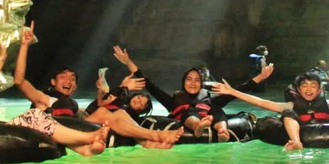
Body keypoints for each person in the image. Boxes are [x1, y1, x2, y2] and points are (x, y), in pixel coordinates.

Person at [14, 25, 183, 149]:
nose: (68, 80)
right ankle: (153, 135)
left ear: (75, 87)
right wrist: (24, 46)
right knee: (105, 113)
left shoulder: (72, 105)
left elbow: (96, 109)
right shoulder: (44, 99)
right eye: (63, 77)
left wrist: (110, 90)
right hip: (60, 129)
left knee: (119, 113)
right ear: (53, 82)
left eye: (72, 78)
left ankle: (146, 142)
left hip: (77, 126)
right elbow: (19, 81)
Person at [115, 46, 273, 141]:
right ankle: (198, 126)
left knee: (216, 109)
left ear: (201, 84)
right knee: (188, 111)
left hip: (211, 116)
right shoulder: (173, 101)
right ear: (183, 82)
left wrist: (261, 77)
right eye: (189, 79)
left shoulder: (209, 100)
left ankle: (222, 130)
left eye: (197, 80)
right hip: (187, 120)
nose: (193, 82)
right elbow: (149, 85)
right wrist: (128, 62)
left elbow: (239, 90)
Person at [213, 72, 329, 151]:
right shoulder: (291, 106)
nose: (309, 89)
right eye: (305, 86)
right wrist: (233, 92)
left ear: (319, 90)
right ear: (298, 90)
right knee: (287, 113)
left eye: (313, 86)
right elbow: (261, 102)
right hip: (302, 133)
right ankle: (296, 142)